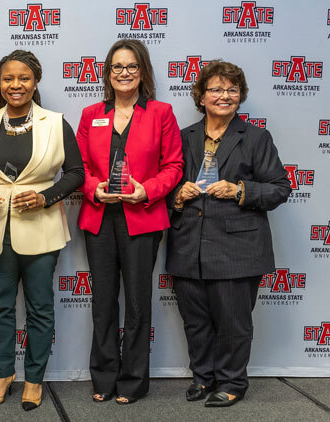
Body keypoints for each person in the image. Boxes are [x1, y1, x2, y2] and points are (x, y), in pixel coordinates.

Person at [167, 60, 290, 407]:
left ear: (241, 96)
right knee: (195, 321)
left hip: (237, 248)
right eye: (217, 89)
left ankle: (233, 381)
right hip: (188, 247)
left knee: (234, 324)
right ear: (201, 96)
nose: (225, 96)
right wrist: (178, 196)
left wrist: (239, 191)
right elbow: (165, 189)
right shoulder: (183, 136)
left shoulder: (254, 137)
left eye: (232, 90)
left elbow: (280, 188)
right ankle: (204, 378)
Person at [0, 50, 84, 411]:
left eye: (23, 78)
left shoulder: (55, 122)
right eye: (7, 79)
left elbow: (77, 173)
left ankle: (34, 379)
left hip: (42, 228)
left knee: (39, 308)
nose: (15, 85)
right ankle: (3, 375)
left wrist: (48, 196)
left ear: (36, 81)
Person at [76, 39, 183, 405]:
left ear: (143, 72)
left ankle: (133, 381)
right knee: (103, 301)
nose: (124, 73)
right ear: (107, 73)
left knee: (137, 302)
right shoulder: (92, 114)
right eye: (117, 67)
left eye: (131, 66)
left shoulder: (161, 113)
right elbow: (80, 168)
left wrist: (146, 191)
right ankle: (104, 377)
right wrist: (94, 189)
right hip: (100, 217)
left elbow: (174, 166)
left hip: (143, 217)